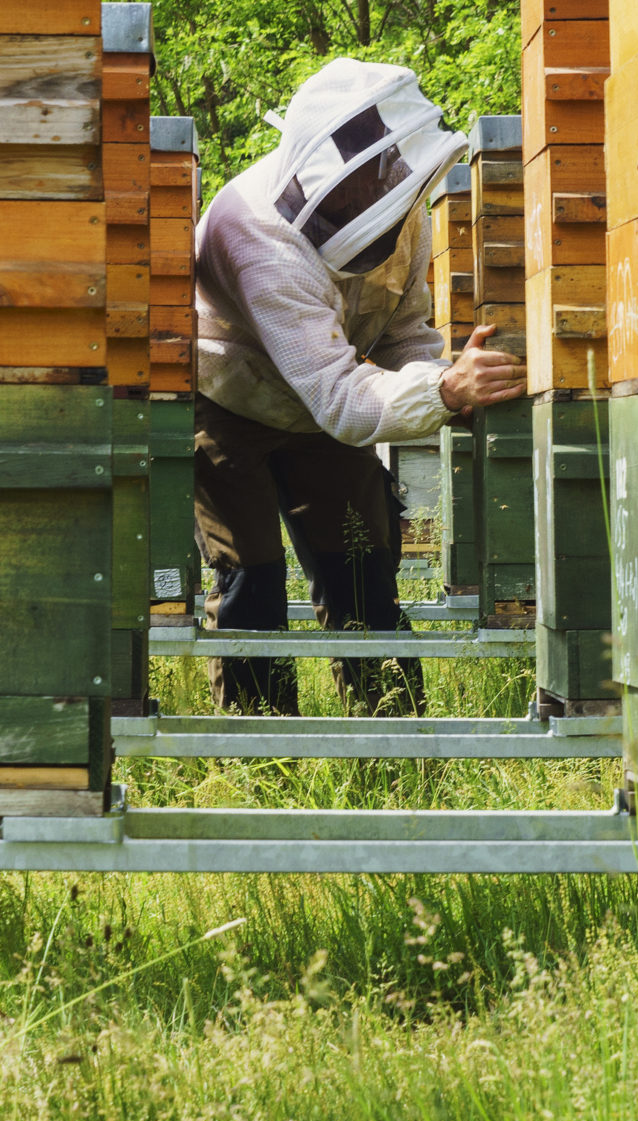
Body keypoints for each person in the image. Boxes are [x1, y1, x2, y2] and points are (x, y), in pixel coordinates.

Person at [191, 58, 526, 714]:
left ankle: (396, 742)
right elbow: (338, 396)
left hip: (333, 396)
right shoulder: (255, 231)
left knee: (363, 568)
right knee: (250, 582)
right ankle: (260, 751)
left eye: (381, 176)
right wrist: (446, 393)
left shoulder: (401, 209)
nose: (370, 193)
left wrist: (439, 378)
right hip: (233, 400)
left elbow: (404, 336)